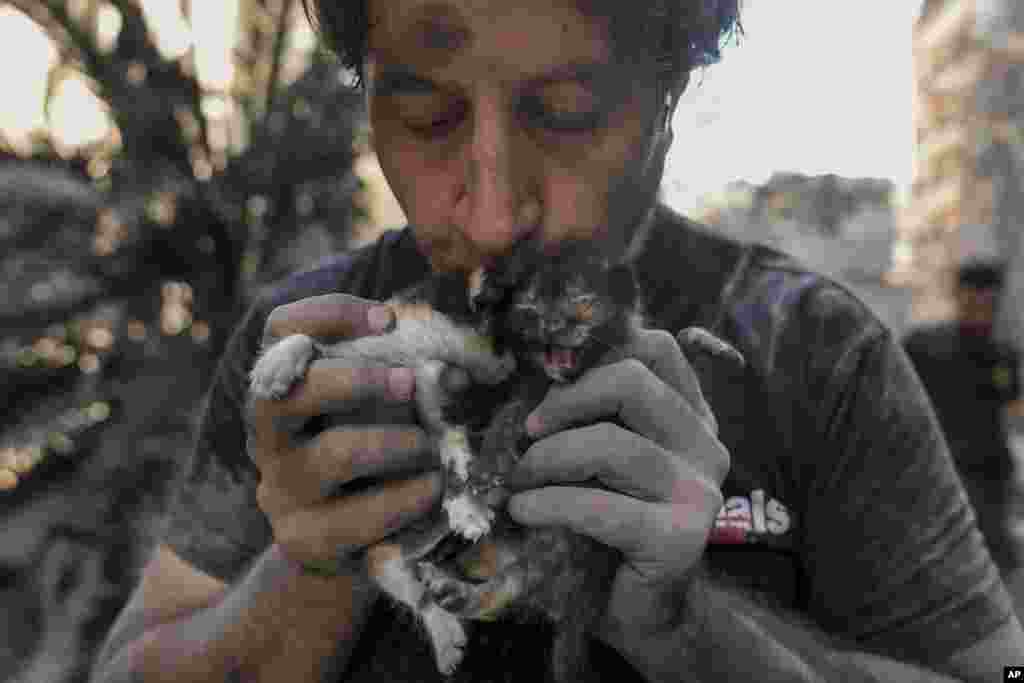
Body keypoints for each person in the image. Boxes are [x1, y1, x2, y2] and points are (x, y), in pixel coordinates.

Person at [91, 1, 1024, 681]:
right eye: (426, 118)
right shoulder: (302, 352)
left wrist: (687, 629)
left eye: (568, 114)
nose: (494, 216)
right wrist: (313, 564)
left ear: (669, 96)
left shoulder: (811, 351)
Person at [903, 261, 1022, 572]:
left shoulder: (1003, 354)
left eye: (988, 302)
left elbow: (1011, 405)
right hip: (940, 468)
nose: (981, 309)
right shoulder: (924, 346)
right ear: (959, 296)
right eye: (974, 299)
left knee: (992, 556)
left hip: (987, 470)